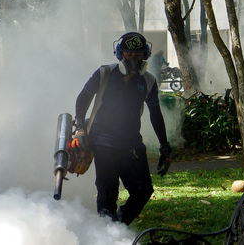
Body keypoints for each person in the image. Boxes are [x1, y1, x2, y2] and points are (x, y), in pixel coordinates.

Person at [73, 32, 172, 225]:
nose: (133, 59)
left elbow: (155, 114)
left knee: (143, 191)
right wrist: (80, 128)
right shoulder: (104, 73)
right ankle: (108, 235)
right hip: (104, 142)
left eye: (138, 54)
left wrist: (164, 145)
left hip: (132, 144)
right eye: (128, 54)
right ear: (120, 54)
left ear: (145, 55)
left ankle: (118, 226)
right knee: (107, 194)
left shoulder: (148, 81)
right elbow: (82, 99)